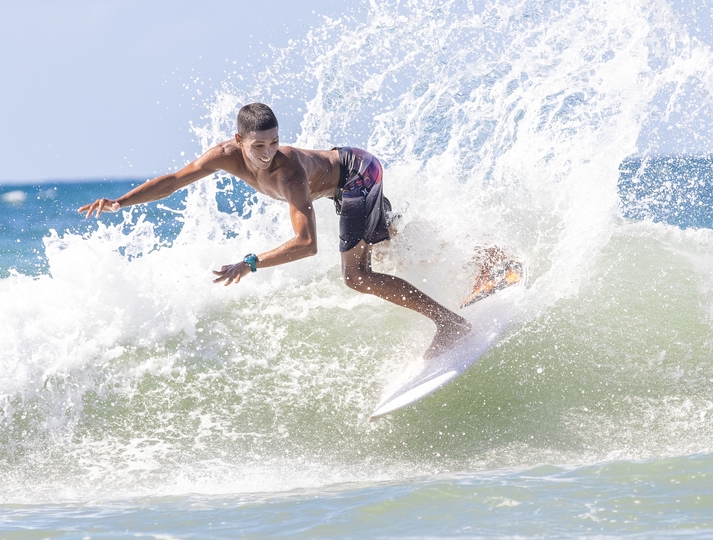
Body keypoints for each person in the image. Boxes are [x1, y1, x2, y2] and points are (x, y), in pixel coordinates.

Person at [79, 102, 476, 358]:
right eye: (258, 146)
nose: (267, 153)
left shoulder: (289, 173)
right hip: (348, 174)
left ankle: (451, 323)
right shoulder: (223, 156)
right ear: (238, 141)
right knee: (388, 246)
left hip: (358, 175)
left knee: (357, 276)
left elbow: (306, 244)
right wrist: (119, 202)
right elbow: (173, 181)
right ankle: (482, 260)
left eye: (273, 142)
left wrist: (250, 263)